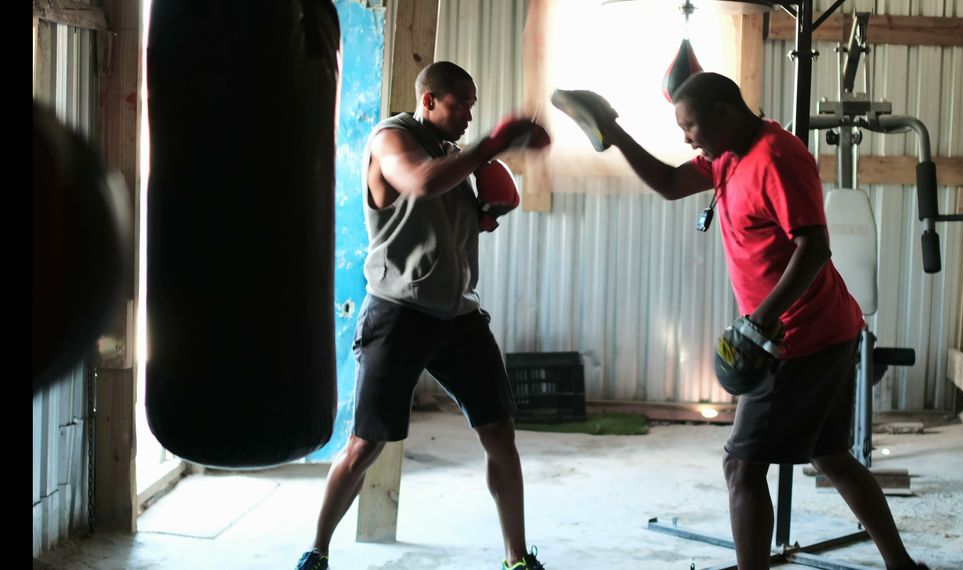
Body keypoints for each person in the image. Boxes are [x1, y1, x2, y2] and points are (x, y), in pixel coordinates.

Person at [551, 73, 927, 570]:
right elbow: (668, 183)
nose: (687, 137)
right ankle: (902, 567)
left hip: (799, 337)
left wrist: (759, 323)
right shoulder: (727, 154)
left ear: (724, 112)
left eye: (691, 126)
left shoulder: (777, 157)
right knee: (831, 456)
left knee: (741, 467)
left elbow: (813, 247)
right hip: (826, 329)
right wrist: (614, 133)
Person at [296, 61, 549, 570]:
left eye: (475, 106)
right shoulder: (390, 140)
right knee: (365, 445)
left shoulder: (454, 155)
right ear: (429, 100)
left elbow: (442, 215)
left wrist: (480, 217)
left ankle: (517, 558)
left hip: (458, 315)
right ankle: (317, 551)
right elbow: (420, 182)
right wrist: (494, 144)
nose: (470, 116)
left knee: (500, 435)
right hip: (398, 312)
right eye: (461, 104)